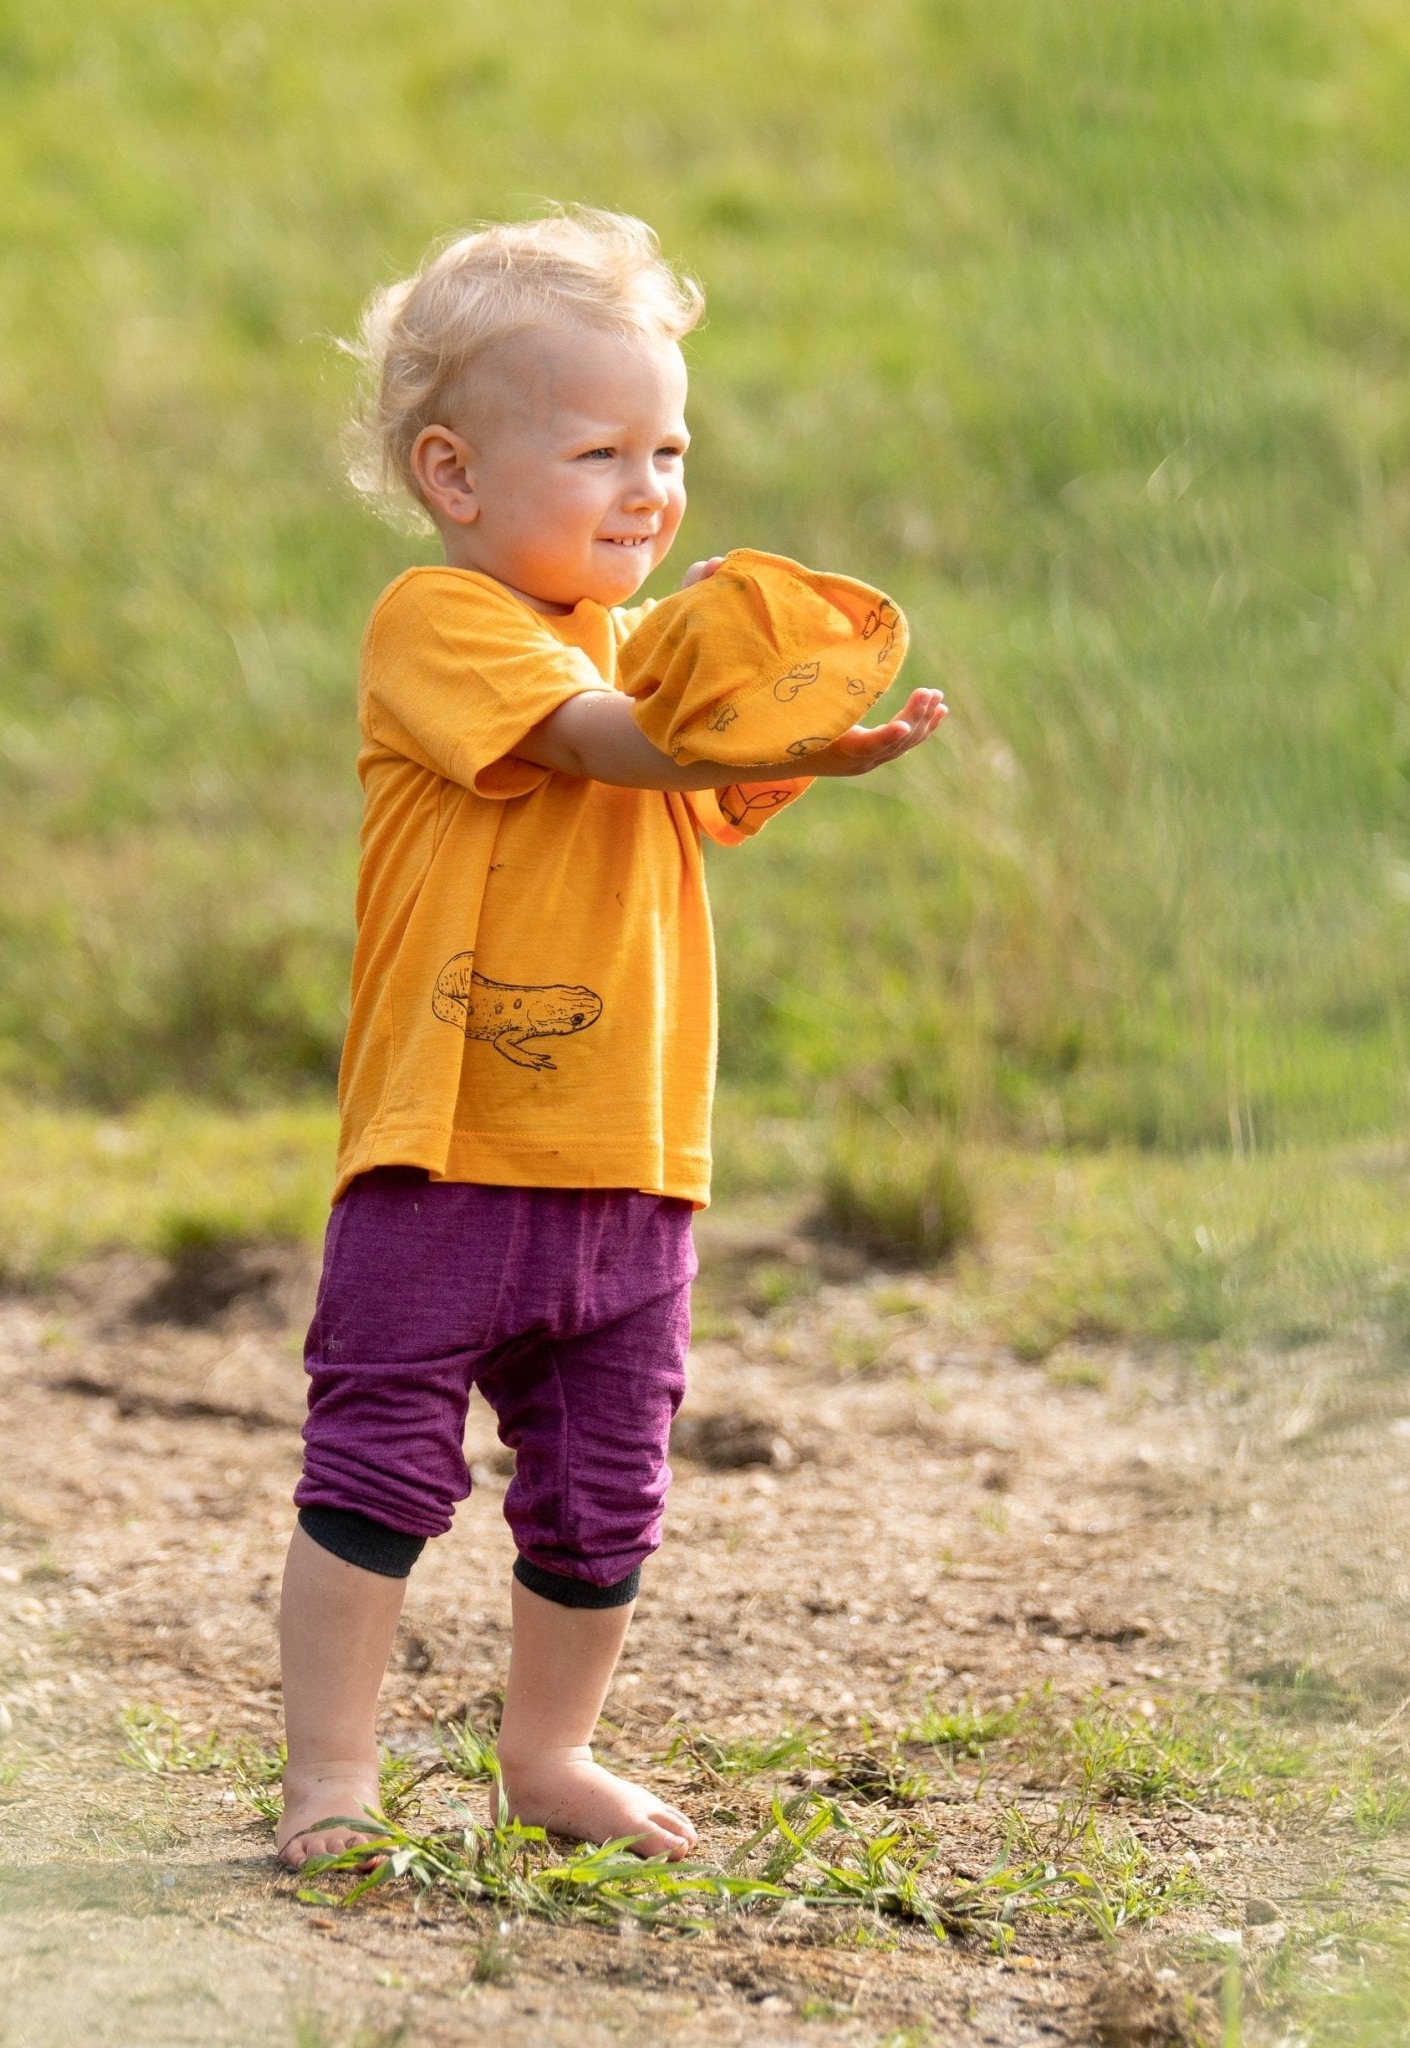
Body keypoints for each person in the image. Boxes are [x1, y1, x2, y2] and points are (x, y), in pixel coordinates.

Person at [277, 207, 947, 1868]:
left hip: (636, 1160)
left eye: (671, 446)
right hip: (450, 1147)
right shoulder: (438, 626)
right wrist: (709, 714)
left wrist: (796, 694)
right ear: (455, 477)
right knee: (379, 1462)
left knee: (603, 1495)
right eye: (598, 451)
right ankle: (330, 1783)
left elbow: (691, 754)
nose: (649, 486)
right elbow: (610, 747)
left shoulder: (642, 651)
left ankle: (549, 1753)